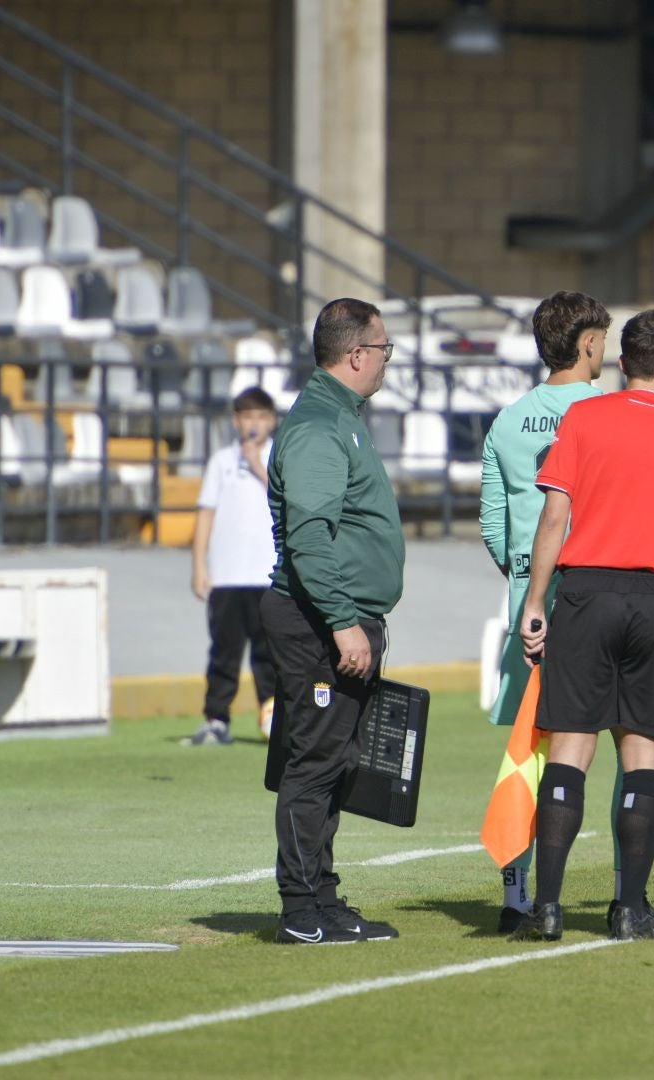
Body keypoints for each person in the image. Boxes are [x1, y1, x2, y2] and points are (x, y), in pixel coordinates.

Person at [517, 308, 654, 942]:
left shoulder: (584, 417)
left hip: (585, 592)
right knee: (644, 757)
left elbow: (553, 518)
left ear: (621, 363)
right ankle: (630, 908)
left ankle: (549, 907)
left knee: (570, 749)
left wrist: (537, 602)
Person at [479, 291, 654, 936]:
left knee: (530, 754)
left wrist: (524, 590)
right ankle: (627, 894)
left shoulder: (508, 420)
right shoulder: (611, 411)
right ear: (590, 344)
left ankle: (517, 896)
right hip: (599, 594)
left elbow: (492, 523)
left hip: (528, 608)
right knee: (630, 746)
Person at [261, 297, 406, 945]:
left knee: (338, 762)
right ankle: (300, 909)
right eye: (384, 350)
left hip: (337, 617)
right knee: (315, 764)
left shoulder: (342, 417)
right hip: (318, 621)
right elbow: (310, 538)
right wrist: (345, 622)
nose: (386, 361)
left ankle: (324, 898)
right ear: (356, 354)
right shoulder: (320, 427)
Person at [186, 387, 279, 747]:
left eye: (260, 417)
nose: (253, 424)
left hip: (268, 576)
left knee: (269, 656)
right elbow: (206, 514)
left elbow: (285, 497)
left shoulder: (278, 458)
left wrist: (257, 464)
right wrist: (199, 566)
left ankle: (274, 720)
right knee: (223, 653)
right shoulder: (221, 461)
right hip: (227, 577)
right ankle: (216, 719)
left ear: (271, 421)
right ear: (236, 421)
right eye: (246, 417)